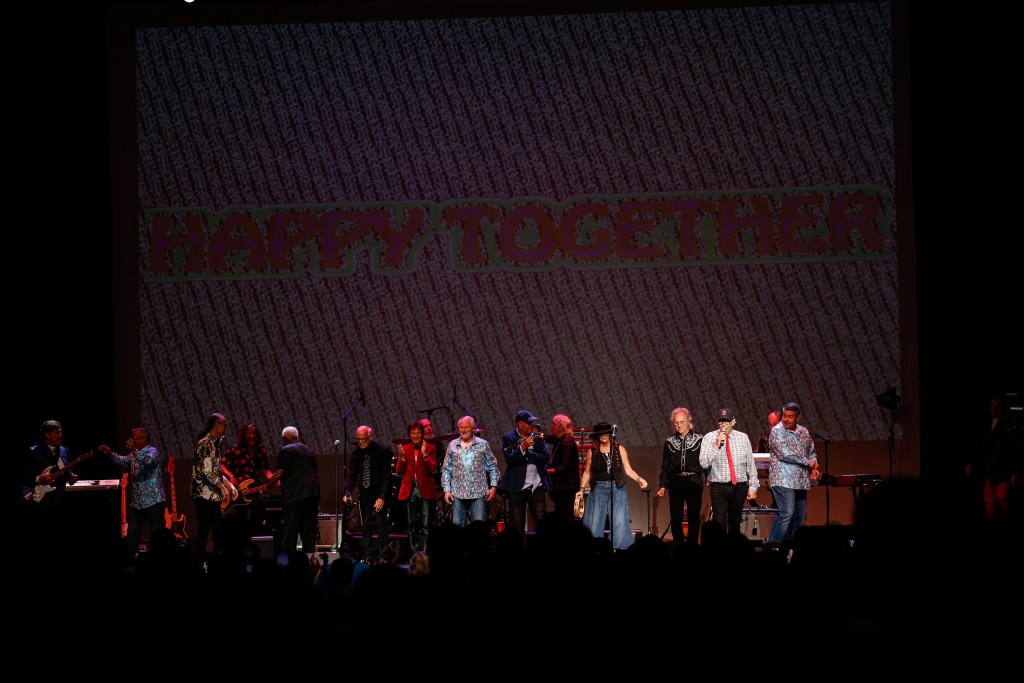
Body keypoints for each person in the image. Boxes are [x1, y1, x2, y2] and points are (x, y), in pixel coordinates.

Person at [97, 426, 166, 559]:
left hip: (154, 501)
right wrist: (110, 453)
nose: (132, 441)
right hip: (137, 503)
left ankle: (160, 563)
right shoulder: (134, 454)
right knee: (131, 536)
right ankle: (129, 563)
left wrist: (134, 450)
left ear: (144, 439)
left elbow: (148, 461)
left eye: (135, 438)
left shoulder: (153, 452)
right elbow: (123, 462)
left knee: (157, 535)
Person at [576, 421, 647, 550]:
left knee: (618, 521)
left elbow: (628, 470)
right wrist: (581, 489)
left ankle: (617, 550)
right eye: (600, 433)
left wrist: (639, 479)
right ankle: (595, 550)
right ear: (597, 436)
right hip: (598, 488)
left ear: (610, 434)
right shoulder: (592, 452)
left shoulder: (619, 449)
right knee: (595, 522)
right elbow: (587, 472)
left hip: (616, 487)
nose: (603, 435)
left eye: (606, 433)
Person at [19, 420, 82, 551]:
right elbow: (24, 474)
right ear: (47, 435)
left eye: (61, 432)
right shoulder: (34, 451)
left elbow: (65, 469)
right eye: (57, 432)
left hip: (62, 499)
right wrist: (39, 478)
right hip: (43, 502)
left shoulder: (64, 450)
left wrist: (71, 476)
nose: (61, 435)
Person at [765, 402, 819, 547]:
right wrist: (808, 463)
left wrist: (814, 465)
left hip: (800, 481)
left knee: (801, 516)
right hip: (783, 479)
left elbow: (811, 451)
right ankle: (773, 547)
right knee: (786, 513)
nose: (786, 419)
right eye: (784, 416)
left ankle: (791, 547)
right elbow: (786, 454)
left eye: (790, 416)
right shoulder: (777, 431)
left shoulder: (803, 431)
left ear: (797, 418)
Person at [698, 408, 758, 536]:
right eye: (720, 422)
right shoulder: (709, 437)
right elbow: (703, 463)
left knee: (735, 524)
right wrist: (717, 446)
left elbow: (750, 464)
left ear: (733, 422)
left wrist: (753, 487)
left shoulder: (743, 437)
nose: (723, 425)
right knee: (719, 524)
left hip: (739, 487)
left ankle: (732, 548)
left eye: (726, 422)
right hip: (719, 487)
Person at [966, 393, 1021, 524]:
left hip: (1003, 469)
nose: (994, 409)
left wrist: (1015, 472)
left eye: (997, 406)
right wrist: (971, 462)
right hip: (989, 469)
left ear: (1002, 407)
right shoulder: (985, 424)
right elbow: (978, 444)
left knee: (1002, 496)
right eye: (992, 405)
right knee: (989, 501)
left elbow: (1014, 450)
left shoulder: (1008, 425)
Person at [265, 425, 321, 553]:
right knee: (308, 531)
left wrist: (266, 490)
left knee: (290, 530)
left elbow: (278, 474)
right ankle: (308, 559)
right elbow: (316, 472)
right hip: (313, 493)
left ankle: (286, 561)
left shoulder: (286, 450)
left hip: (296, 494)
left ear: (284, 440)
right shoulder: (308, 450)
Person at [190, 412, 235, 563]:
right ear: (217, 425)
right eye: (224, 425)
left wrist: (229, 485)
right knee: (205, 528)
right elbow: (207, 471)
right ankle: (198, 561)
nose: (225, 428)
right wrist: (222, 487)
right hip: (203, 493)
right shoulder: (205, 444)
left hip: (213, 494)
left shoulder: (215, 444)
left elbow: (216, 470)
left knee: (217, 527)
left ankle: (218, 560)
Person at [344, 425, 392, 563]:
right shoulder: (356, 454)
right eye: (358, 439)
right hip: (365, 493)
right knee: (366, 524)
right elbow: (351, 476)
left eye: (363, 439)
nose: (360, 442)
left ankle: (383, 556)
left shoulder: (382, 451)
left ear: (370, 437)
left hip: (380, 492)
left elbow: (386, 476)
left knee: (381, 523)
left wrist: (382, 496)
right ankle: (367, 556)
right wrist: (348, 492)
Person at [656, 407, 705, 545]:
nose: (679, 425)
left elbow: (706, 461)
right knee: (676, 517)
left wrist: (709, 478)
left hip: (694, 479)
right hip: (675, 481)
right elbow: (665, 466)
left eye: (682, 422)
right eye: (676, 423)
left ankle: (692, 547)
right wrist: (662, 485)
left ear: (689, 420)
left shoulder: (700, 439)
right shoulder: (669, 441)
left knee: (693, 516)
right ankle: (677, 546)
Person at [499, 409, 552, 534]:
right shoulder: (509, 438)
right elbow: (509, 460)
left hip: (536, 487)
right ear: (519, 424)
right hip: (516, 488)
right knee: (517, 525)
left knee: (541, 523)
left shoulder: (537, 437)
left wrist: (529, 452)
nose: (531, 425)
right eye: (528, 423)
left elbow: (545, 458)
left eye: (532, 422)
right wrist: (522, 448)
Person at [220, 422, 274, 541]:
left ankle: (256, 547)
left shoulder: (261, 450)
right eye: (249, 433)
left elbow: (265, 469)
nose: (251, 436)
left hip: (255, 492)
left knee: (257, 523)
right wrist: (231, 476)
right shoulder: (236, 450)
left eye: (254, 433)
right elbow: (221, 465)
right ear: (244, 435)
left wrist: (273, 478)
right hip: (239, 493)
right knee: (241, 524)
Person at [442, 415, 499, 526]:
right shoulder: (452, 445)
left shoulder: (483, 444)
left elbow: (493, 466)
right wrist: (446, 490)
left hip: (478, 492)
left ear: (473, 428)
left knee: (479, 527)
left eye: (466, 427)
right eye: (461, 427)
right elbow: (446, 469)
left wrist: (493, 486)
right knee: (457, 527)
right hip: (457, 493)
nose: (463, 430)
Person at [395, 419, 439, 555]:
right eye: (413, 433)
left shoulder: (430, 448)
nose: (416, 435)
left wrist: (425, 455)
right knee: (411, 524)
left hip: (425, 489)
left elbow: (433, 468)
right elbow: (398, 469)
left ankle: (423, 554)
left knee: (426, 524)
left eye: (418, 433)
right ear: (409, 434)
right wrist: (402, 457)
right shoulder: (405, 448)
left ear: (422, 434)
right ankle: (414, 554)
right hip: (410, 489)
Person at [545, 413, 581, 517]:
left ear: (561, 427)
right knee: (561, 514)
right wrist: (536, 434)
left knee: (565, 515)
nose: (551, 426)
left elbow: (566, 466)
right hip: (561, 487)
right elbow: (548, 438)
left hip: (567, 487)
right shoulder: (560, 440)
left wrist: (547, 471)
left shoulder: (567, 442)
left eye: (554, 424)